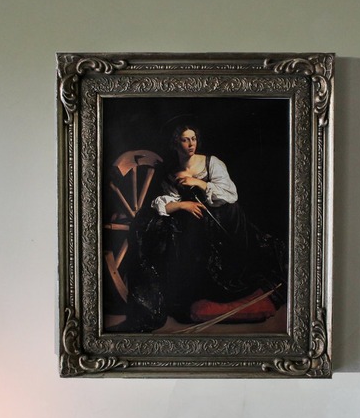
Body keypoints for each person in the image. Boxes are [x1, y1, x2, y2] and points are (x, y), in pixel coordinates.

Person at [121, 121, 286, 332]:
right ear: (175, 143)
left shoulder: (212, 163)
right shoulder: (172, 173)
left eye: (193, 139)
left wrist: (198, 183)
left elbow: (230, 195)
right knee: (174, 227)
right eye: (185, 140)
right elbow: (165, 203)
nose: (191, 144)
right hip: (199, 227)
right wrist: (183, 204)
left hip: (226, 222)